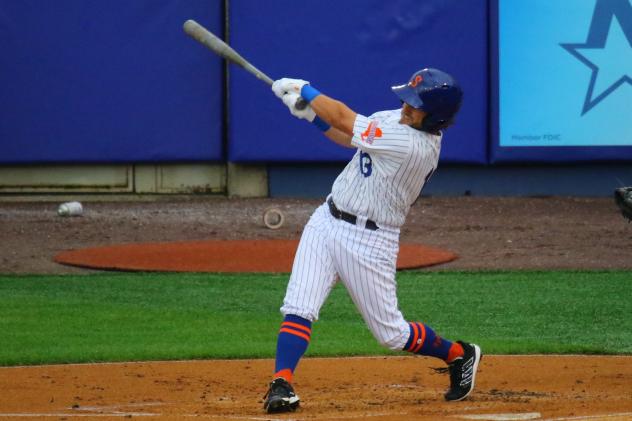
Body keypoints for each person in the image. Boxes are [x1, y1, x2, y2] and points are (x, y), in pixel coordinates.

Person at [262, 68, 481, 414]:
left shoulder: (414, 145)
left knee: (392, 335)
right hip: (326, 219)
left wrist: (307, 88)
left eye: (415, 105)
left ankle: (459, 354)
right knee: (299, 305)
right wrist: (311, 117)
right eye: (407, 100)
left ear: (435, 116)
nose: (406, 108)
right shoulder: (396, 120)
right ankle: (282, 383)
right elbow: (350, 137)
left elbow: (346, 119)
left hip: (370, 241)